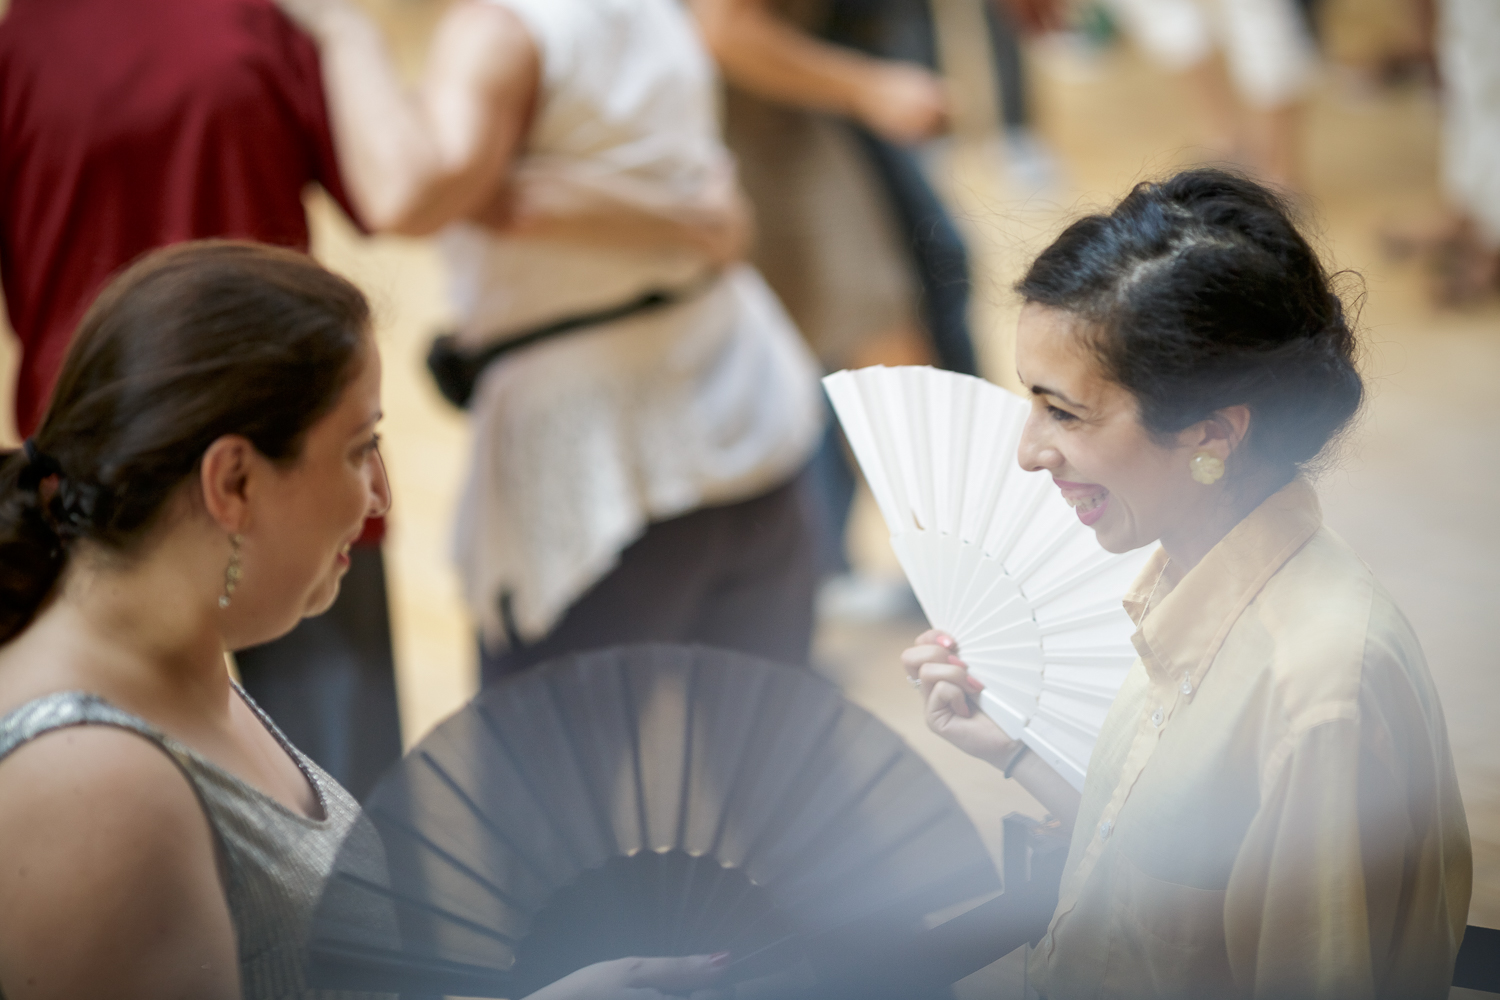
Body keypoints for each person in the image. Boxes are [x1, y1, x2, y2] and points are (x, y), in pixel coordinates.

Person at [0, 240, 731, 1000]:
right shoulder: (91, 797)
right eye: (359, 449)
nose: (379, 496)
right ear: (233, 480)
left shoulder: (173, 651)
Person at [901, 170, 1470, 997]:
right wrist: (1012, 748)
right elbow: (1174, 872)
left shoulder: (1320, 693)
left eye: (1063, 412)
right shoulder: (1190, 581)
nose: (1027, 450)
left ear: (1212, 432)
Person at [277, 0, 825, 683]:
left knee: (545, 775)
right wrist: (687, 220)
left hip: (610, 450)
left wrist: (343, 28)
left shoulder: (500, 32)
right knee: (751, 760)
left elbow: (405, 195)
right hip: (741, 402)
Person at [0, 0, 401, 799]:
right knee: (355, 841)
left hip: (132, 485)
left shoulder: (17, 51)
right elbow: (394, 190)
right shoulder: (262, 20)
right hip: (291, 462)